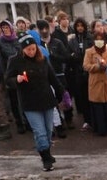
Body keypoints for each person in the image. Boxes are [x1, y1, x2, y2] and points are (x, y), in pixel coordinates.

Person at [4, 33, 65, 171]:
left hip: (47, 99)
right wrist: (16, 80)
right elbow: (7, 80)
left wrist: (61, 92)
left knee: (49, 131)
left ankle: (47, 152)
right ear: (22, 50)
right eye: (28, 50)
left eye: (33, 49)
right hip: (29, 102)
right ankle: (45, 158)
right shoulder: (15, 61)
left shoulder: (42, 59)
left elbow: (52, 77)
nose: (31, 52)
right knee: (40, 132)